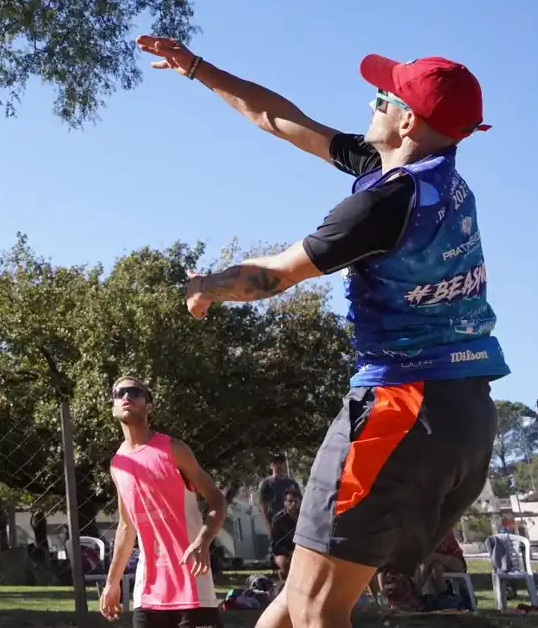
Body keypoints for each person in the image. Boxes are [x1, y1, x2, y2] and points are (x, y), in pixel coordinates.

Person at [138, 37, 508, 628]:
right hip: (463, 414)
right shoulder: (434, 181)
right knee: (299, 598)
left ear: (408, 121)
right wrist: (198, 69)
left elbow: (275, 275)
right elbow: (281, 120)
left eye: (383, 97)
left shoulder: (384, 204)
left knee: (316, 609)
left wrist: (206, 285)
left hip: (401, 407)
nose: (372, 102)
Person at [101, 377, 227, 628]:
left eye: (134, 391)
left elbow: (217, 501)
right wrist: (112, 583)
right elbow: (126, 526)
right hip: (148, 593)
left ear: (148, 406)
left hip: (193, 585)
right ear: (113, 408)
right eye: (119, 393)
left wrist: (203, 540)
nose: (126, 396)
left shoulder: (174, 449)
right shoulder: (118, 464)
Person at [257, 455, 301, 530]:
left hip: (292, 522)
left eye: (280, 462)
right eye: (275, 463)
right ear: (271, 466)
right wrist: (268, 525)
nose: (278, 465)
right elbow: (262, 505)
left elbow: (300, 502)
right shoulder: (266, 483)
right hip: (275, 522)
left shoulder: (292, 483)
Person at [271, 490, 301, 583]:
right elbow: (276, 544)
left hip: (302, 550)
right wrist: (289, 552)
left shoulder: (305, 517)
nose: (293, 504)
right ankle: (291, 582)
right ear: (285, 503)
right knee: (284, 562)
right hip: (283, 552)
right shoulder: (278, 519)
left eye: (296, 501)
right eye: (290, 501)